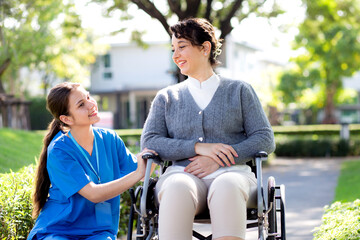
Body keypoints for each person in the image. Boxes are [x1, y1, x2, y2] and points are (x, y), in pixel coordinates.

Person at [141, 18, 275, 240]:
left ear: (205, 48)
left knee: (227, 185)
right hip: (183, 175)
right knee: (176, 187)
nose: (175, 56)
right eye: (173, 49)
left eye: (182, 47)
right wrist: (198, 147)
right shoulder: (166, 97)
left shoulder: (240, 91)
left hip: (234, 174)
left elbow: (264, 139)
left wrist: (219, 160)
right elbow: (151, 141)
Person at [27, 82, 155, 240]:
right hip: (58, 231)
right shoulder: (60, 150)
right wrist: (138, 173)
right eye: (81, 104)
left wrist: (158, 148)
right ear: (66, 119)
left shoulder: (110, 139)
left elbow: (140, 169)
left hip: (98, 232)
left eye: (88, 97)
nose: (91, 104)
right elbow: (93, 194)